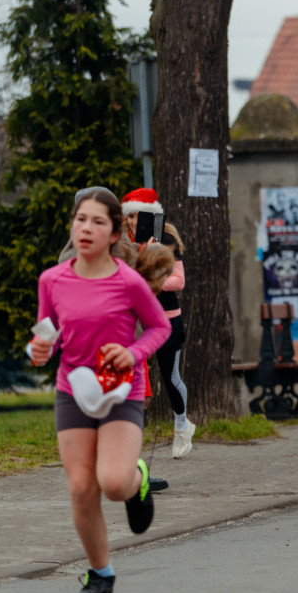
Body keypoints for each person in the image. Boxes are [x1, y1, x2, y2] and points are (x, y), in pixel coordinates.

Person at [31, 187, 171, 593]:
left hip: (121, 389)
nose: (86, 228)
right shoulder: (52, 279)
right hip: (74, 389)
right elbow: (49, 334)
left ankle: (137, 479)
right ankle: (100, 573)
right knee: (81, 488)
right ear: (71, 228)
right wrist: (39, 350)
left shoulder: (128, 281)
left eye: (97, 222)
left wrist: (132, 353)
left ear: (114, 234)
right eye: (80, 220)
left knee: (111, 483)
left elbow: (159, 328)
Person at [121, 188, 197, 459]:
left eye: (137, 216)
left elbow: (179, 281)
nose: (132, 222)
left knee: (170, 376)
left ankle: (181, 426)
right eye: (129, 217)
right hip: (136, 325)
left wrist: (150, 280)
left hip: (166, 320)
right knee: (133, 378)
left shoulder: (164, 240)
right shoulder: (124, 244)